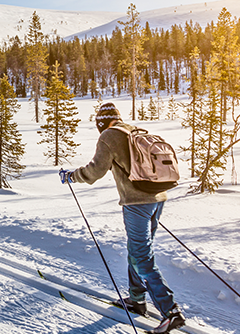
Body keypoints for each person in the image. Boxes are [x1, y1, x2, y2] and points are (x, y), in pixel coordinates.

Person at [59, 102, 185, 333]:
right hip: (157, 198)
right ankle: (137, 300)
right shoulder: (134, 130)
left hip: (137, 203)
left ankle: (170, 311)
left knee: (141, 256)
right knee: (136, 251)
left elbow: (95, 171)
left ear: (101, 123)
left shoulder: (109, 136)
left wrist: (71, 176)